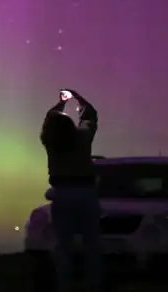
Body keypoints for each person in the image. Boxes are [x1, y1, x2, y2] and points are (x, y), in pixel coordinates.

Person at [40, 89, 102, 292]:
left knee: (64, 244)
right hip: (85, 192)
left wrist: (60, 104)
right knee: (92, 243)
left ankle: (64, 284)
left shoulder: (51, 142)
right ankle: (93, 283)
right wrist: (76, 96)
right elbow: (90, 114)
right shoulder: (83, 139)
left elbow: (49, 120)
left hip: (62, 193)